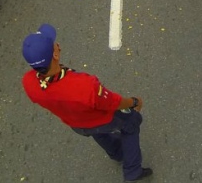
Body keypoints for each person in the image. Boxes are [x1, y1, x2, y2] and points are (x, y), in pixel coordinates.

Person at [21, 24, 152, 182]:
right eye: (54, 43)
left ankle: (117, 153)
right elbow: (112, 102)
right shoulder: (84, 86)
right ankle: (132, 171)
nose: (58, 44)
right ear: (55, 54)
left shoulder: (28, 83)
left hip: (77, 124)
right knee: (131, 123)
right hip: (101, 118)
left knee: (98, 133)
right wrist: (133, 102)